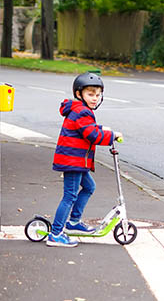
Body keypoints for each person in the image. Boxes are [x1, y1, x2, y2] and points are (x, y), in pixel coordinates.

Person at [47, 72, 123, 247]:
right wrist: (112, 135)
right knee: (69, 196)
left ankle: (74, 223)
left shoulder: (80, 110)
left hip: (77, 161)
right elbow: (92, 135)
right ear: (78, 94)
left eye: (98, 95)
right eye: (90, 94)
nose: (95, 98)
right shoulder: (82, 111)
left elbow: (87, 128)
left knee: (89, 187)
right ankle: (56, 234)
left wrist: (101, 127)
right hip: (73, 161)